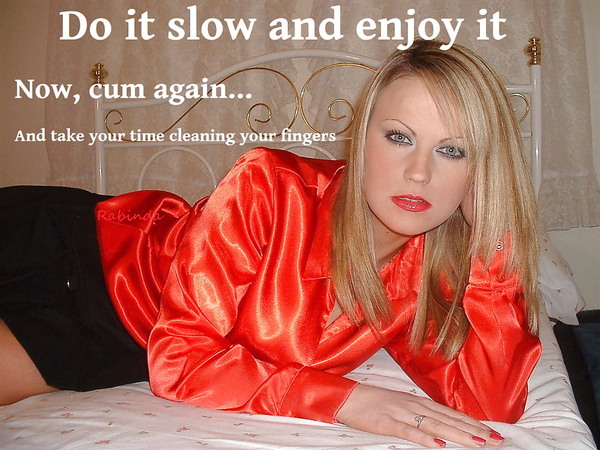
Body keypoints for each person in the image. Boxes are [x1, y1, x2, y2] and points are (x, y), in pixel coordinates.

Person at [0, 39, 541, 448]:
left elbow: (490, 402)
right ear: (362, 138)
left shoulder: (428, 277)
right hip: (75, 251)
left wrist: (494, 249)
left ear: (481, 171)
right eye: (399, 137)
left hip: (124, 344)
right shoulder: (270, 188)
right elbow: (182, 354)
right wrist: (347, 400)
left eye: (453, 150)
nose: (418, 172)